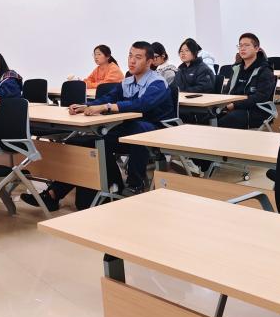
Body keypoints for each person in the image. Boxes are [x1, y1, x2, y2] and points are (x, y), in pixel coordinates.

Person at [23, 42, 172, 209]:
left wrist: (106, 107)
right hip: (128, 128)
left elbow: (142, 105)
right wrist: (86, 106)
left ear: (150, 61)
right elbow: (108, 97)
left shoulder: (157, 82)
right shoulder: (127, 82)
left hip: (155, 131)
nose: (132, 61)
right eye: (130, 56)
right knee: (84, 143)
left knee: (138, 130)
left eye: (138, 57)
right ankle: (54, 194)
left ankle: (135, 185)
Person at [217, 33, 277, 129]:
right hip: (233, 108)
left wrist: (234, 105)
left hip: (256, 110)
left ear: (256, 49)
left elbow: (261, 97)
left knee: (225, 120)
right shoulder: (236, 69)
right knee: (208, 118)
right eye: (240, 45)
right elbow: (226, 92)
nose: (242, 48)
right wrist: (223, 104)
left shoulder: (265, 70)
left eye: (246, 45)